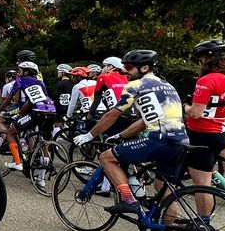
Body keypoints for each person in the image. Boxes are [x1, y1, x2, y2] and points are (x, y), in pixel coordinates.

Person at [74, 49, 188, 219]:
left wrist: (89, 135)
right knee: (162, 186)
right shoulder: (167, 85)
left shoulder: (136, 86)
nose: (125, 70)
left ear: (144, 68)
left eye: (128, 66)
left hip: (158, 140)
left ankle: (128, 200)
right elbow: (145, 121)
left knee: (106, 157)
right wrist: (122, 135)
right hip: (180, 142)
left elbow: (113, 114)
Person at [184, 39, 225, 198]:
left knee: (202, 184)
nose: (200, 62)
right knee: (207, 172)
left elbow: (196, 113)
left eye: (201, 59)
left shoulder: (206, 80)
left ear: (207, 59)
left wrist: (184, 106)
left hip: (202, 133)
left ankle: (203, 221)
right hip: (222, 131)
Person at [0, 60, 57, 170]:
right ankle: (41, 179)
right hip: (51, 111)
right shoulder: (40, 82)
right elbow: (32, 101)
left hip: (38, 112)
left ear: (26, 72)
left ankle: (17, 162)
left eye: (19, 70)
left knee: (10, 133)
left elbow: (8, 99)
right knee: (44, 142)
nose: (17, 73)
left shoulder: (19, 81)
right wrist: (21, 114)